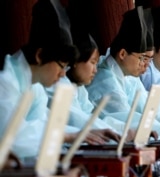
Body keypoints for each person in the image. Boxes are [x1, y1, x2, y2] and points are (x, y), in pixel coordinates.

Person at [0, 0, 115, 161]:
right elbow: (13, 137)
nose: (63, 74)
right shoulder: (5, 79)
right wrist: (67, 136)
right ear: (40, 56)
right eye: (61, 66)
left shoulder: (36, 85)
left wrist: (79, 134)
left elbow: (43, 123)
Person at [86, 6, 160, 139]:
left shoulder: (129, 78)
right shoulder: (104, 80)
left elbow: (148, 107)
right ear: (123, 54)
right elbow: (126, 117)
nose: (145, 64)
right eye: (142, 58)